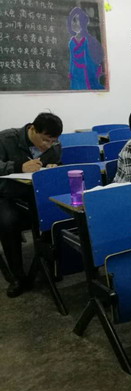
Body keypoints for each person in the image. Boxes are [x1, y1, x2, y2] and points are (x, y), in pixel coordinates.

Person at [0, 113, 63, 297]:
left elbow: (56, 163)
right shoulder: (6, 139)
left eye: (52, 141)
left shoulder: (55, 145)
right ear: (33, 129)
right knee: (8, 221)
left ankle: (50, 264)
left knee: (55, 212)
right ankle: (17, 277)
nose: (48, 145)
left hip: (35, 194)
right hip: (7, 194)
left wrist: (54, 168)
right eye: (45, 140)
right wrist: (18, 166)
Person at [67, 7, 105, 90]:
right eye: (73, 21)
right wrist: (71, 72)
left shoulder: (88, 40)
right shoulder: (72, 42)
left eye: (78, 20)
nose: (75, 24)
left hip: (86, 72)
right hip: (75, 72)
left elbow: (92, 58)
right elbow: (72, 59)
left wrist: (94, 70)